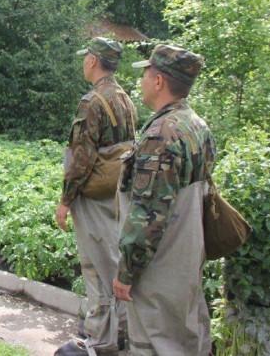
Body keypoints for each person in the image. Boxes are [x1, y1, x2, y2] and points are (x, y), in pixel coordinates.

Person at [113, 44, 213, 355]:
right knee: (186, 339)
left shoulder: (161, 135)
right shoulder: (196, 124)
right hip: (187, 257)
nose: (141, 80)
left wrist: (126, 272)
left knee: (155, 342)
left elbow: (148, 215)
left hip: (160, 266)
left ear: (158, 81)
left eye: (145, 74)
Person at [55, 37, 138, 356]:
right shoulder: (124, 98)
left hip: (92, 196)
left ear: (92, 60)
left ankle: (100, 338)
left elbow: (82, 157)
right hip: (116, 193)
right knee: (112, 259)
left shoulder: (92, 102)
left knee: (96, 267)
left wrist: (65, 200)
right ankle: (118, 330)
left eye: (85, 58)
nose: (83, 63)